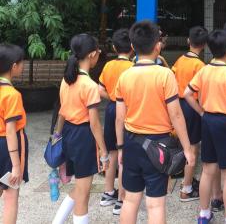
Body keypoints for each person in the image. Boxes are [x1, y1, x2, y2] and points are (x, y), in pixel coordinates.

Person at [115, 20, 194, 224]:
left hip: (132, 143)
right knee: (156, 204)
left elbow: (119, 118)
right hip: (158, 147)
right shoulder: (165, 75)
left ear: (132, 47)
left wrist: (121, 147)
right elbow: (176, 115)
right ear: (158, 46)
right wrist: (187, 148)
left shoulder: (124, 76)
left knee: (130, 200)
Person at [184, 29, 226, 224]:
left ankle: (204, 213)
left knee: (208, 170)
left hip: (207, 120)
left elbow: (187, 93)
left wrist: (201, 112)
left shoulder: (204, 70)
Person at [53, 34, 109, 224]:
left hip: (68, 133)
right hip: (84, 136)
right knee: (84, 193)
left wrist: (57, 135)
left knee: (80, 187)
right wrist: (103, 151)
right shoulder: (89, 85)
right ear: (92, 54)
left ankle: (57, 221)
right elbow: (94, 123)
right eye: (98, 51)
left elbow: (61, 111)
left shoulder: (66, 80)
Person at [98, 28, 133, 215]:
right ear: (133, 48)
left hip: (112, 109)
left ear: (113, 47)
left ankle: (108, 192)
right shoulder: (132, 67)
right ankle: (121, 199)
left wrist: (112, 97)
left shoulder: (109, 66)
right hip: (127, 111)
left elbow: (100, 89)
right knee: (124, 154)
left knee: (112, 152)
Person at [172, 26, 208, 202]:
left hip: (178, 105)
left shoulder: (180, 60)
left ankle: (187, 180)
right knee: (192, 147)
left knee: (184, 144)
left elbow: (172, 78)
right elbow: (200, 92)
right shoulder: (199, 65)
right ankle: (186, 189)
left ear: (188, 41)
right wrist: (202, 111)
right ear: (204, 45)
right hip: (192, 107)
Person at [0, 44, 27, 224]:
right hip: (8, 147)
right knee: (11, 199)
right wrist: (16, 165)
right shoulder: (12, 94)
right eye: (21, 62)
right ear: (13, 66)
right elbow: (11, 131)